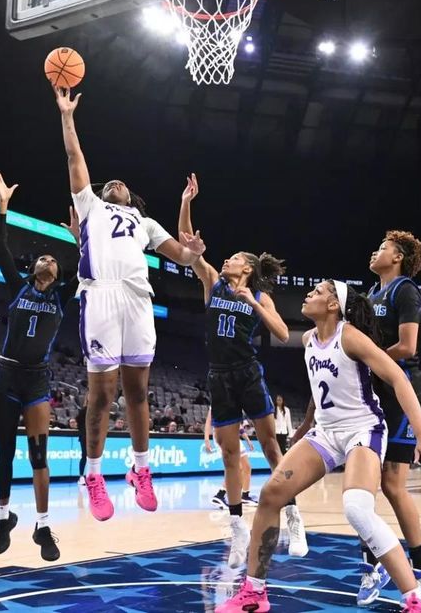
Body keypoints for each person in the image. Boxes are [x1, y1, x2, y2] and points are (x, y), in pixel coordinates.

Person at [217, 281, 421, 613]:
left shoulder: (350, 336)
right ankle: (254, 593)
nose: (310, 293)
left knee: (356, 508)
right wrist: (306, 427)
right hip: (326, 433)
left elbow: (397, 377)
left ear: (334, 305)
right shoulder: (310, 339)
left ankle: (415, 600)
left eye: (319, 291)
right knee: (270, 496)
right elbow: (321, 388)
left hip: (362, 430)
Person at [54, 86, 207, 522]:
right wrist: (67, 117)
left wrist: (193, 248)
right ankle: (95, 474)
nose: (115, 183)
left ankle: (142, 470)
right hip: (101, 294)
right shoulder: (90, 208)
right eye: (110, 184)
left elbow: (181, 255)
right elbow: (74, 161)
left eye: (123, 184)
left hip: (138, 299)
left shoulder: (145, 221)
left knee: (139, 391)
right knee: (102, 395)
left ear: (132, 198)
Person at [178, 172, 305, 564]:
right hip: (219, 376)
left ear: (247, 269)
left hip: (248, 373)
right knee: (230, 455)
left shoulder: (261, 295)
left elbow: (283, 333)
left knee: (270, 446)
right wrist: (186, 202)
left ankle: (293, 514)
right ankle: (235, 531)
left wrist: (252, 301)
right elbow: (187, 244)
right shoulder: (213, 281)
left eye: (234, 257)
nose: (227, 259)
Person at [0, 170, 79, 557]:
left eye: (53, 259)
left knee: (38, 454)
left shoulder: (62, 296)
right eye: (42, 256)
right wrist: (3, 207)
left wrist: (79, 238)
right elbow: (0, 249)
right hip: (7, 375)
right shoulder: (17, 286)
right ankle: (4, 517)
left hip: (36, 380)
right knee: (4, 451)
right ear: (35, 269)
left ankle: (43, 527)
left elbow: (86, 266)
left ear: (57, 274)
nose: (47, 259)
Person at [345, 229, 421, 604]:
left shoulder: (405, 290)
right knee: (361, 485)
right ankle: (372, 564)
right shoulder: (370, 295)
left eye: (382, 248)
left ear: (397, 257)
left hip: (403, 389)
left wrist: (372, 358)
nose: (374, 251)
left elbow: (409, 346)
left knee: (393, 486)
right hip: (373, 391)